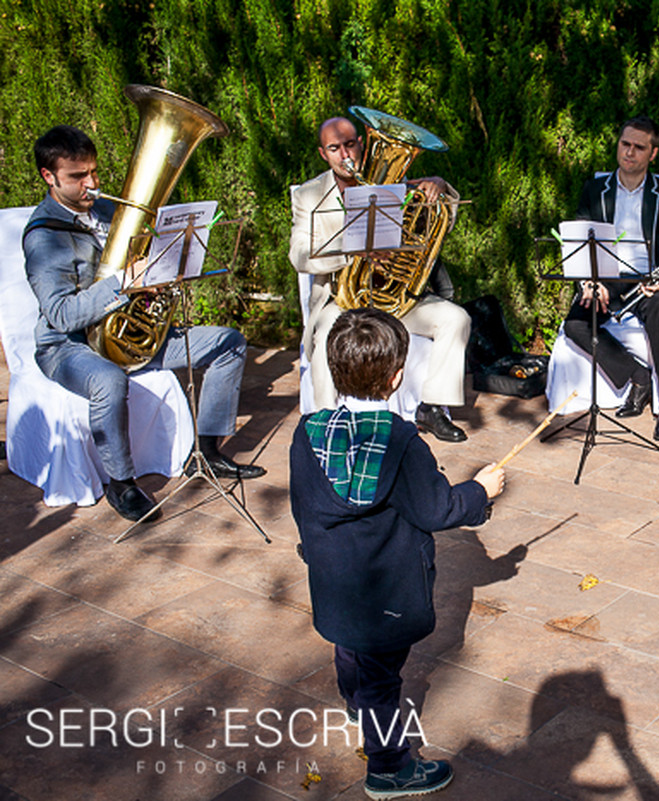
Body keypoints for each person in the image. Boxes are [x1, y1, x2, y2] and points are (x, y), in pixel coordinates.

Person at [290, 307, 504, 798]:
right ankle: (388, 767)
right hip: (387, 589)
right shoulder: (403, 441)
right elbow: (435, 510)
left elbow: (301, 503)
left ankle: (355, 702)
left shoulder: (307, 432)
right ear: (398, 376)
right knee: (384, 678)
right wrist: (479, 492)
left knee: (350, 647)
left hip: (335, 580)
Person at [22, 125, 263, 523]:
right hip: (68, 347)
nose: (93, 184)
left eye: (94, 172)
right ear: (49, 177)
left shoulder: (107, 211)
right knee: (108, 380)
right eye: (78, 177)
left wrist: (165, 269)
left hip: (127, 338)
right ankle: (121, 484)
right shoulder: (43, 237)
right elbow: (62, 315)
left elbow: (144, 273)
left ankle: (206, 450)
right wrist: (123, 282)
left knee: (229, 342)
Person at [289, 116, 472, 442]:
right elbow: (299, 256)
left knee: (455, 319)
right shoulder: (308, 195)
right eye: (335, 148)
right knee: (326, 333)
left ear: (361, 143)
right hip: (342, 298)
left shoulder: (395, 183)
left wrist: (440, 187)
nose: (345, 155)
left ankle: (430, 407)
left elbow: (445, 221)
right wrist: (353, 250)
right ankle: (324, 419)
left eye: (350, 144)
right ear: (323, 153)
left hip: (395, 295)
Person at [562, 115, 659, 441]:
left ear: (653, 154)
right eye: (625, 144)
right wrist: (587, 281)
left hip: (648, 280)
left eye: (638, 147)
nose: (629, 153)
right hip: (606, 278)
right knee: (575, 324)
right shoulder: (595, 189)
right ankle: (637, 374)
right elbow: (579, 241)